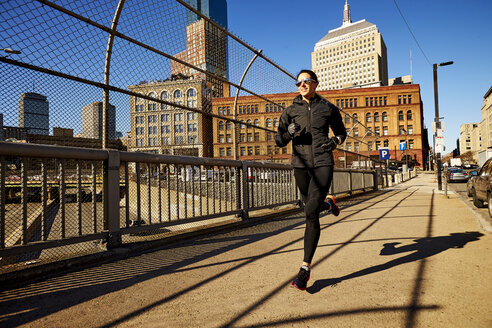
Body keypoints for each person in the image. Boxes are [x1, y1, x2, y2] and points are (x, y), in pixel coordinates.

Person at [275, 69, 347, 291]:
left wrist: (334, 142)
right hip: (301, 165)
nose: (302, 85)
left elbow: (341, 133)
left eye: (306, 81)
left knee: (309, 213)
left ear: (315, 83)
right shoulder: (289, 111)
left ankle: (304, 269)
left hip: (323, 162)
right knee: (311, 209)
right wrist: (289, 133)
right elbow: (279, 140)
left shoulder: (327, 108)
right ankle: (328, 203)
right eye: (299, 82)